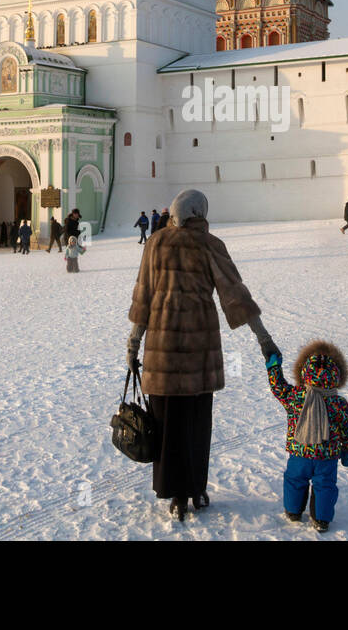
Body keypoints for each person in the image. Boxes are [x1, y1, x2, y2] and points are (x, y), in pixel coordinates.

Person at [126, 189, 279, 522]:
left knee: (167, 426)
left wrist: (133, 343)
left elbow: (143, 296)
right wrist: (264, 339)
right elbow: (236, 296)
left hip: (161, 355)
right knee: (196, 424)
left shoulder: (155, 244)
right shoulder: (210, 245)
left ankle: (175, 492)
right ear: (200, 213)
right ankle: (195, 488)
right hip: (198, 354)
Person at [265, 340, 348, 533]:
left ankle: (293, 511)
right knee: (325, 486)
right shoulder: (338, 402)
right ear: (337, 375)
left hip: (299, 452)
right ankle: (321, 519)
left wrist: (274, 368)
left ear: (303, 372)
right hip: (327, 456)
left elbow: (278, 388)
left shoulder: (296, 396)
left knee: (294, 480)